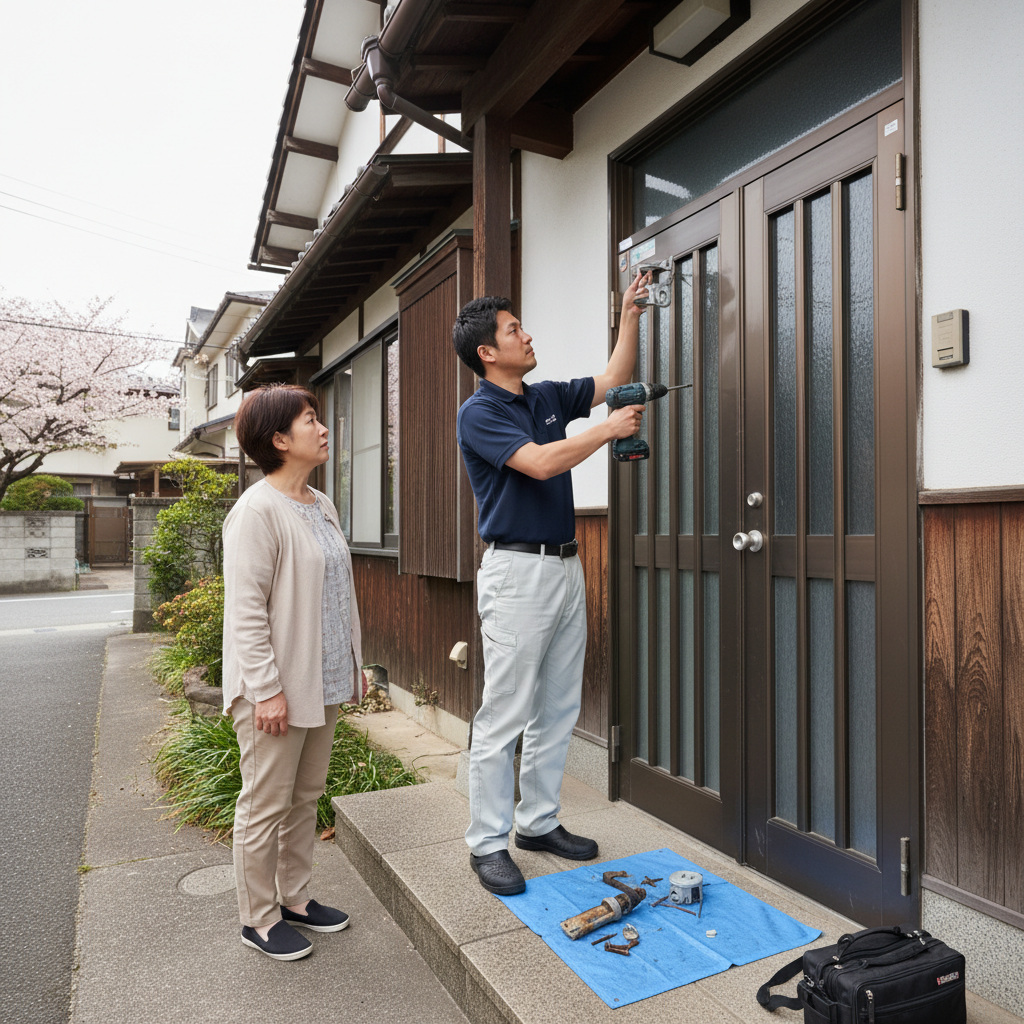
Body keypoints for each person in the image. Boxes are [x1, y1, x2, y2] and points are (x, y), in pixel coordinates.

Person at [452, 271, 649, 895]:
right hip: (516, 571)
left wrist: (630, 312)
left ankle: (537, 824)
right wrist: (607, 431)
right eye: (515, 330)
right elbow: (538, 463)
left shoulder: (544, 397)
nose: (526, 335)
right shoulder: (479, 412)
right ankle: (487, 842)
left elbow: (614, 379)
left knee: (559, 704)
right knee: (505, 711)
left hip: (565, 565)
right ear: (488, 352)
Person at [223, 383, 363, 960]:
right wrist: (266, 692)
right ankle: (257, 918)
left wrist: (352, 665)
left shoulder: (319, 502)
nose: (323, 427)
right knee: (264, 803)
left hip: (322, 679)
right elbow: (246, 611)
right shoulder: (257, 510)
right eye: (311, 420)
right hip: (274, 691)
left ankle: (296, 901)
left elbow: (336, 594)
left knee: (304, 796)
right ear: (279, 439)